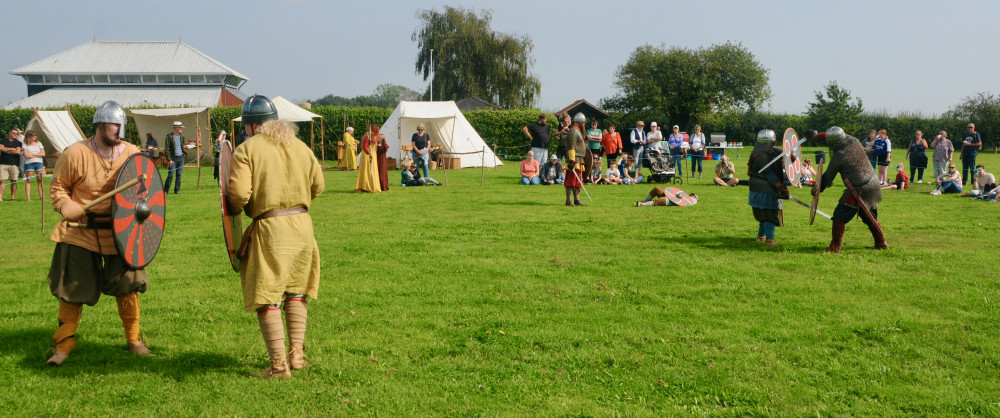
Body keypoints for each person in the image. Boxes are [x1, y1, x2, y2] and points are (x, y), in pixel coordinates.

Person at [45, 101, 150, 366]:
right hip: (81, 231)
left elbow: (144, 188)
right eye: (115, 125)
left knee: (127, 286)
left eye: (121, 125)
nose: (119, 130)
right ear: (100, 125)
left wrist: (143, 202)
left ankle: (134, 340)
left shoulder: (132, 153)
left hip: (120, 231)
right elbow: (58, 188)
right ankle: (63, 346)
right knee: (73, 288)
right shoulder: (76, 153)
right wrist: (67, 205)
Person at [228, 95, 324, 378]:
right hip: (303, 227)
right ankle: (297, 358)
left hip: (270, 229)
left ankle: (280, 366)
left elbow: (238, 195)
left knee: (268, 296)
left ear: (251, 126)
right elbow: (318, 186)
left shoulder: (247, 149)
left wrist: (237, 209)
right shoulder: (301, 146)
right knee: (296, 291)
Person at [813, 126, 887, 252]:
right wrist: (816, 136)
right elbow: (832, 135)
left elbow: (828, 177)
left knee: (839, 217)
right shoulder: (854, 140)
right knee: (870, 217)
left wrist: (818, 188)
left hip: (859, 189)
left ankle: (835, 246)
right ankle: (881, 243)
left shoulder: (840, 156)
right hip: (873, 184)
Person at [747, 129, 788, 247]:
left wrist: (792, 156)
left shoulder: (771, 152)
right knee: (768, 213)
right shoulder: (760, 156)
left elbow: (787, 155)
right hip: (764, 187)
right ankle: (769, 240)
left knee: (763, 211)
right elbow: (770, 173)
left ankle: (761, 235)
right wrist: (779, 186)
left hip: (760, 187)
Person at [563, 113, 588, 206]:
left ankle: (577, 199)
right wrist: (572, 160)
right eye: (583, 123)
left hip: (580, 160)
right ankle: (568, 201)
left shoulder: (578, 131)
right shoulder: (573, 131)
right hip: (574, 160)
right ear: (579, 122)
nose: (584, 125)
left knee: (578, 181)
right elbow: (571, 146)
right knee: (570, 181)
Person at [356, 125, 382, 193]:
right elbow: (365, 146)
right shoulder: (368, 136)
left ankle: (372, 185)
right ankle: (365, 186)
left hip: (373, 154)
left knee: (372, 170)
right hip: (367, 155)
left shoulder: (373, 137)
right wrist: (369, 152)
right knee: (367, 170)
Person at [162, 121, 186, 194]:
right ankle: (165, 191)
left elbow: (182, 146)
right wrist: (169, 160)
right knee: (171, 175)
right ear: (175, 128)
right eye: (180, 127)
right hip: (173, 159)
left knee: (179, 175)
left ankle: (177, 190)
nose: (181, 128)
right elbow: (167, 149)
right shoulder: (169, 136)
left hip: (181, 157)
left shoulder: (182, 136)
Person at [0, 127, 23, 201]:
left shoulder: (18, 143)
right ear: (9, 133)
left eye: (16, 134)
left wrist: (6, 150)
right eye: (13, 133)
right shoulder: (3, 141)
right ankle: (0, 197)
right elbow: (1, 148)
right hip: (3, 163)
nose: (15, 135)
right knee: (2, 181)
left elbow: (17, 152)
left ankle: (12, 197)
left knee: (13, 180)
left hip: (14, 164)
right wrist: (12, 149)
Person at [22, 130, 45, 201]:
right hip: (29, 163)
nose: (35, 137)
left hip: (39, 162)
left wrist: (33, 154)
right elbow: (26, 155)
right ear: (29, 136)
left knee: (40, 180)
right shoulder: (25, 144)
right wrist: (37, 154)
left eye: (35, 135)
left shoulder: (39, 143)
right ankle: (28, 197)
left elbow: (43, 153)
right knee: (29, 180)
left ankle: (41, 197)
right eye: (33, 135)